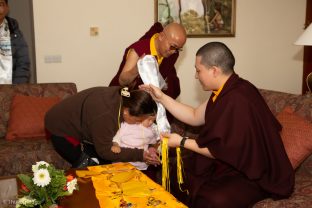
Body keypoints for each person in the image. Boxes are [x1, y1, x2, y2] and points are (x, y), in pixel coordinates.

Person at [140, 42, 295, 208]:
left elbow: (223, 149)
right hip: (230, 161)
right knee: (175, 175)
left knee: (212, 199)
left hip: (253, 172)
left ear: (214, 70)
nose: (195, 76)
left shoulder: (238, 98)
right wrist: (161, 97)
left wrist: (181, 141)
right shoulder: (226, 89)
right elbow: (194, 116)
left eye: (198, 70)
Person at [44, 87, 160, 170]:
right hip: (60, 129)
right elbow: (105, 151)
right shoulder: (106, 116)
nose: (138, 124)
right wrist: (140, 155)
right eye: (138, 120)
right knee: (94, 168)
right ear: (126, 112)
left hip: (80, 121)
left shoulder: (125, 96)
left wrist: (150, 146)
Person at [109, 22, 187, 100]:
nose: (174, 51)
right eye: (173, 46)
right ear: (161, 36)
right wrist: (137, 68)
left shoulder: (173, 54)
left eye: (178, 49)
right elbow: (122, 81)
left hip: (145, 101)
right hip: (121, 97)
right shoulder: (139, 50)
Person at [0, 0, 30, 84]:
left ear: (7, 8)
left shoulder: (14, 31)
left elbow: (23, 62)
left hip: (10, 88)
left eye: (0, 5)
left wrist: (17, 88)